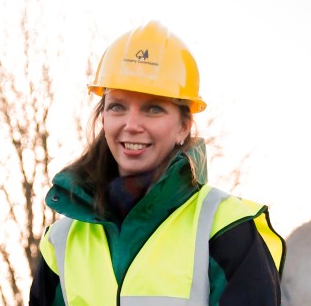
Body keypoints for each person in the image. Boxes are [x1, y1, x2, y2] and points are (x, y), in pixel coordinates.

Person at [29, 21, 286, 306]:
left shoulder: (226, 227)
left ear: (184, 126)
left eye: (153, 108)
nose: (132, 124)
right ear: (103, 117)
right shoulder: (62, 241)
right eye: (117, 106)